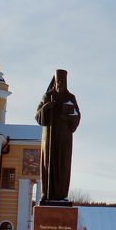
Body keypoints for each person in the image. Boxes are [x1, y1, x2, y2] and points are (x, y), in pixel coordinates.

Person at [35, 69, 81, 203]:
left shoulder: (70, 98)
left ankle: (61, 194)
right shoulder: (47, 96)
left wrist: (67, 116)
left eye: (63, 81)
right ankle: (46, 193)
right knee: (48, 163)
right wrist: (47, 107)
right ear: (55, 82)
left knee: (63, 164)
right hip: (49, 137)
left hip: (64, 138)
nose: (60, 84)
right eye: (58, 81)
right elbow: (37, 116)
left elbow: (77, 116)